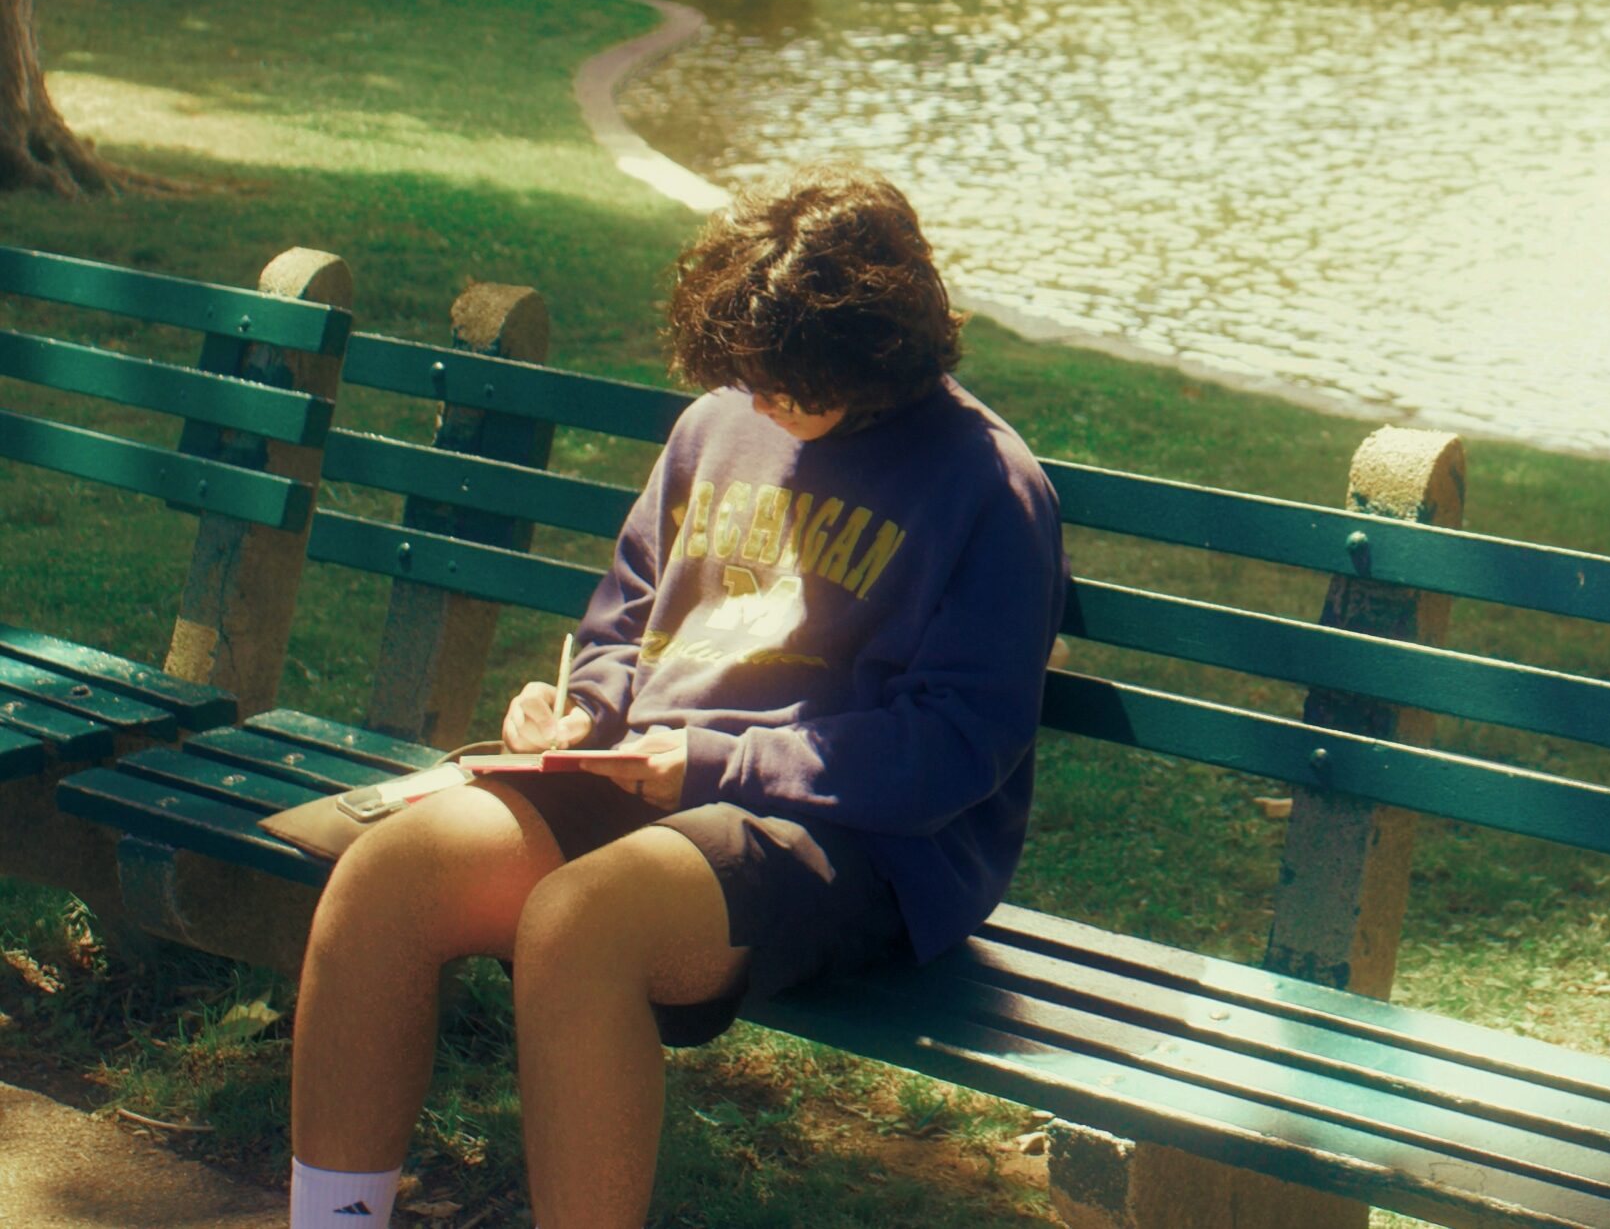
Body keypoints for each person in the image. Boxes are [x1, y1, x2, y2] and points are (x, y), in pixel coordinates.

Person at [287, 161, 1067, 1229]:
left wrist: (710, 764)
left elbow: (953, 749)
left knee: (582, 921)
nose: (764, 401)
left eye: (788, 382)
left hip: (853, 837)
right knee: (389, 874)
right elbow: (626, 625)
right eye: (751, 374)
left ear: (880, 347)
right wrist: (583, 710)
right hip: (654, 787)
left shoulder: (989, 484)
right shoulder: (719, 423)